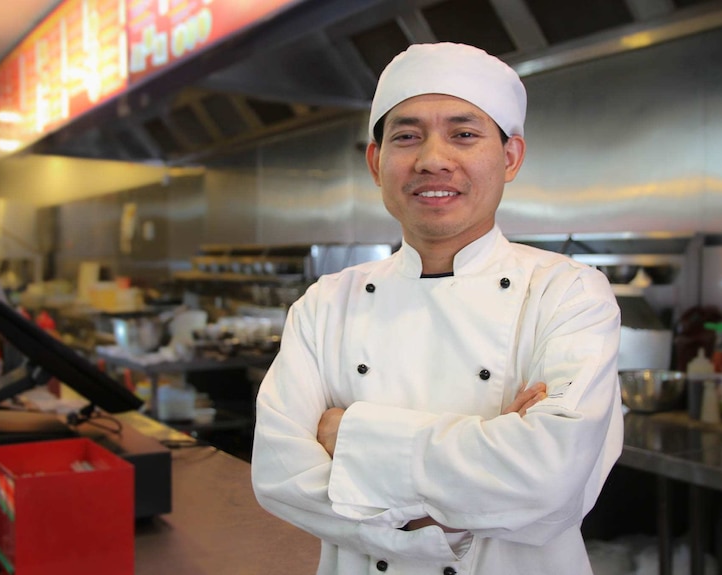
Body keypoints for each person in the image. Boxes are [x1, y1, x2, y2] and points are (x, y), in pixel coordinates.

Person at [251, 42, 623, 574]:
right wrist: (477, 485)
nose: (432, 159)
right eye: (406, 136)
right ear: (377, 163)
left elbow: (549, 480)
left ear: (510, 156)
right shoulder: (325, 304)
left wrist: (348, 437)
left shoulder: (568, 292)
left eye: (464, 134)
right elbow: (279, 477)